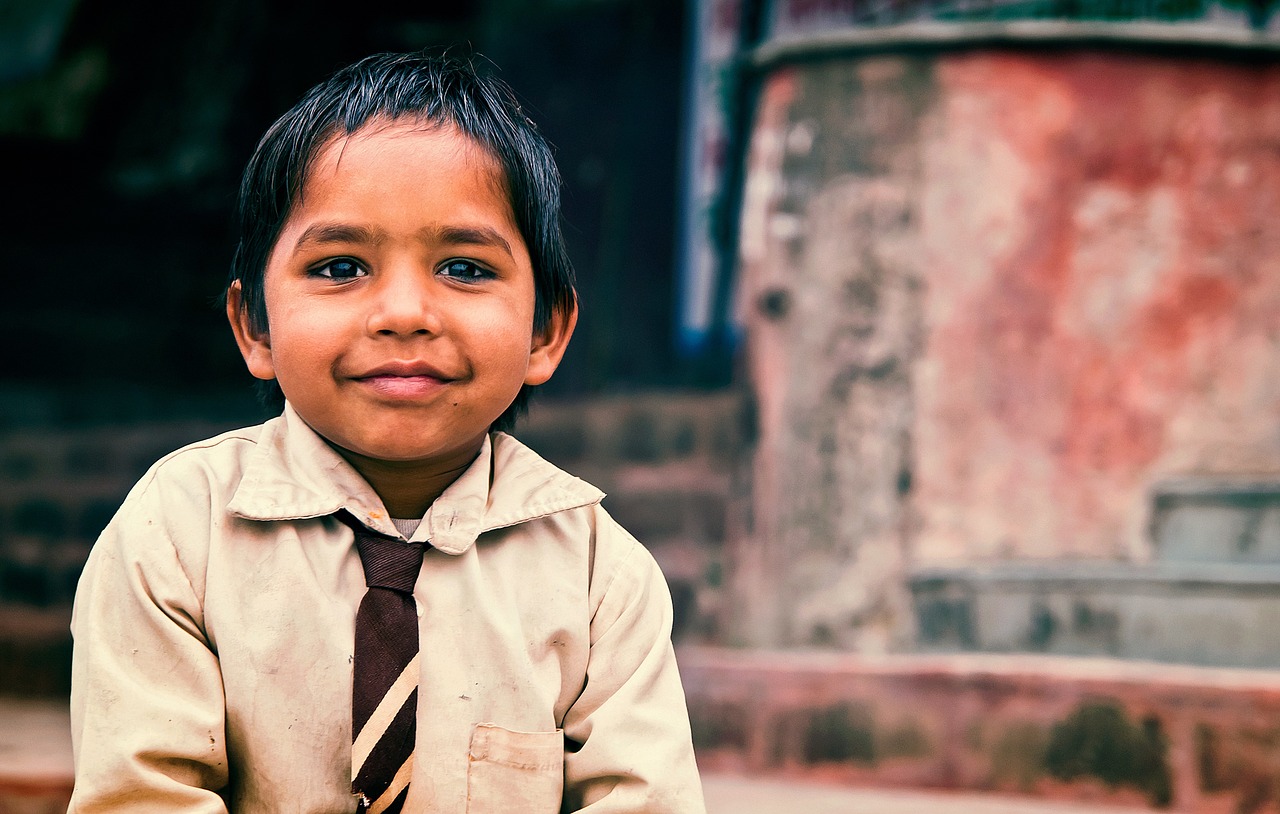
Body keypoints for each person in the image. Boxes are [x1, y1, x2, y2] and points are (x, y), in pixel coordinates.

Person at [68, 50, 706, 814]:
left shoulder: (602, 576)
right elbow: (143, 797)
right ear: (254, 328)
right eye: (340, 268)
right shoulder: (177, 531)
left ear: (545, 333)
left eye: (465, 268)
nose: (404, 312)